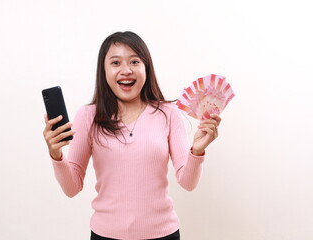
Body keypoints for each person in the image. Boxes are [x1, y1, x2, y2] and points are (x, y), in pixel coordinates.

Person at [43, 31, 221, 240]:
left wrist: (197, 151)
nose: (126, 70)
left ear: (146, 68)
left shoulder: (168, 113)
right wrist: (56, 155)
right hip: (105, 235)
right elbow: (72, 188)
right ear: (104, 71)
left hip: (163, 234)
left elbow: (188, 183)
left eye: (134, 61)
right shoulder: (88, 116)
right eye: (115, 63)